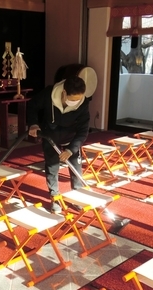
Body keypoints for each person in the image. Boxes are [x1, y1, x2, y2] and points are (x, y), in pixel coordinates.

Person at [27, 75, 90, 213]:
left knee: (76, 168)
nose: (76, 102)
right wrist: (33, 124)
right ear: (64, 93)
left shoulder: (83, 104)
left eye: (79, 99)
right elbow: (32, 105)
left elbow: (83, 130)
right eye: (73, 99)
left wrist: (71, 149)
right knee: (52, 167)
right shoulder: (49, 94)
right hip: (50, 135)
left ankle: (77, 195)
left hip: (71, 137)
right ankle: (55, 197)